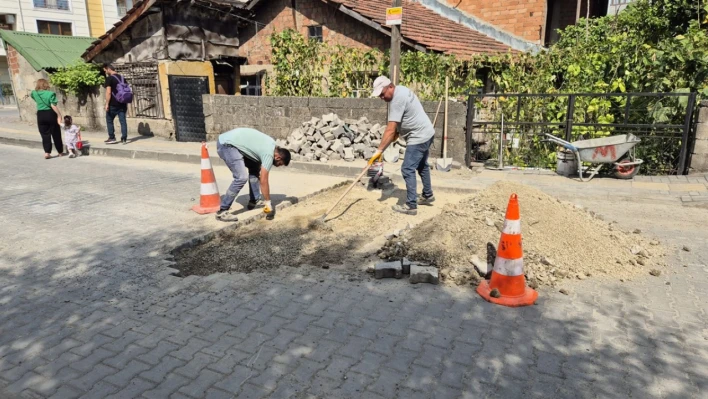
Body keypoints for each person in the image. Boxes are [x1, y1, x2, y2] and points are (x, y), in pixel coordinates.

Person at [371, 75, 435, 215]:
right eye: (379, 96)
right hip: (427, 132)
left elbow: (390, 129)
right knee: (422, 165)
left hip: (418, 137)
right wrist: (398, 132)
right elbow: (403, 119)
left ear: (390, 87)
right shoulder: (402, 90)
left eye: (382, 94)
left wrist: (379, 151)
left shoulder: (396, 100)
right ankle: (428, 194)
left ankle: (411, 205)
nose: (381, 98)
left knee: (407, 169)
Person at [215, 127, 292, 222]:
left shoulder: (272, 145)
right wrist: (268, 204)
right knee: (241, 177)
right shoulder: (269, 154)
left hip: (233, 142)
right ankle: (222, 211)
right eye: (280, 164)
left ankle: (254, 200)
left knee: (255, 167)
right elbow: (264, 181)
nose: (278, 166)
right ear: (278, 157)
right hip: (227, 144)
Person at [31, 79, 64, 159]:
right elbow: (53, 105)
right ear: (46, 84)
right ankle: (60, 152)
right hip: (50, 113)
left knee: (44, 134)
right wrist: (59, 115)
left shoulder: (34, 93)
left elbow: (34, 98)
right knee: (56, 133)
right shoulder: (50, 94)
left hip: (40, 114)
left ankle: (47, 152)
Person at [103, 63, 128, 144]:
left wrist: (107, 104)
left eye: (105, 70)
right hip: (123, 103)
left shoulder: (109, 79)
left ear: (108, 69)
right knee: (123, 121)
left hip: (113, 104)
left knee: (109, 120)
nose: (105, 72)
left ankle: (112, 138)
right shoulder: (122, 78)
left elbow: (108, 92)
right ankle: (124, 138)